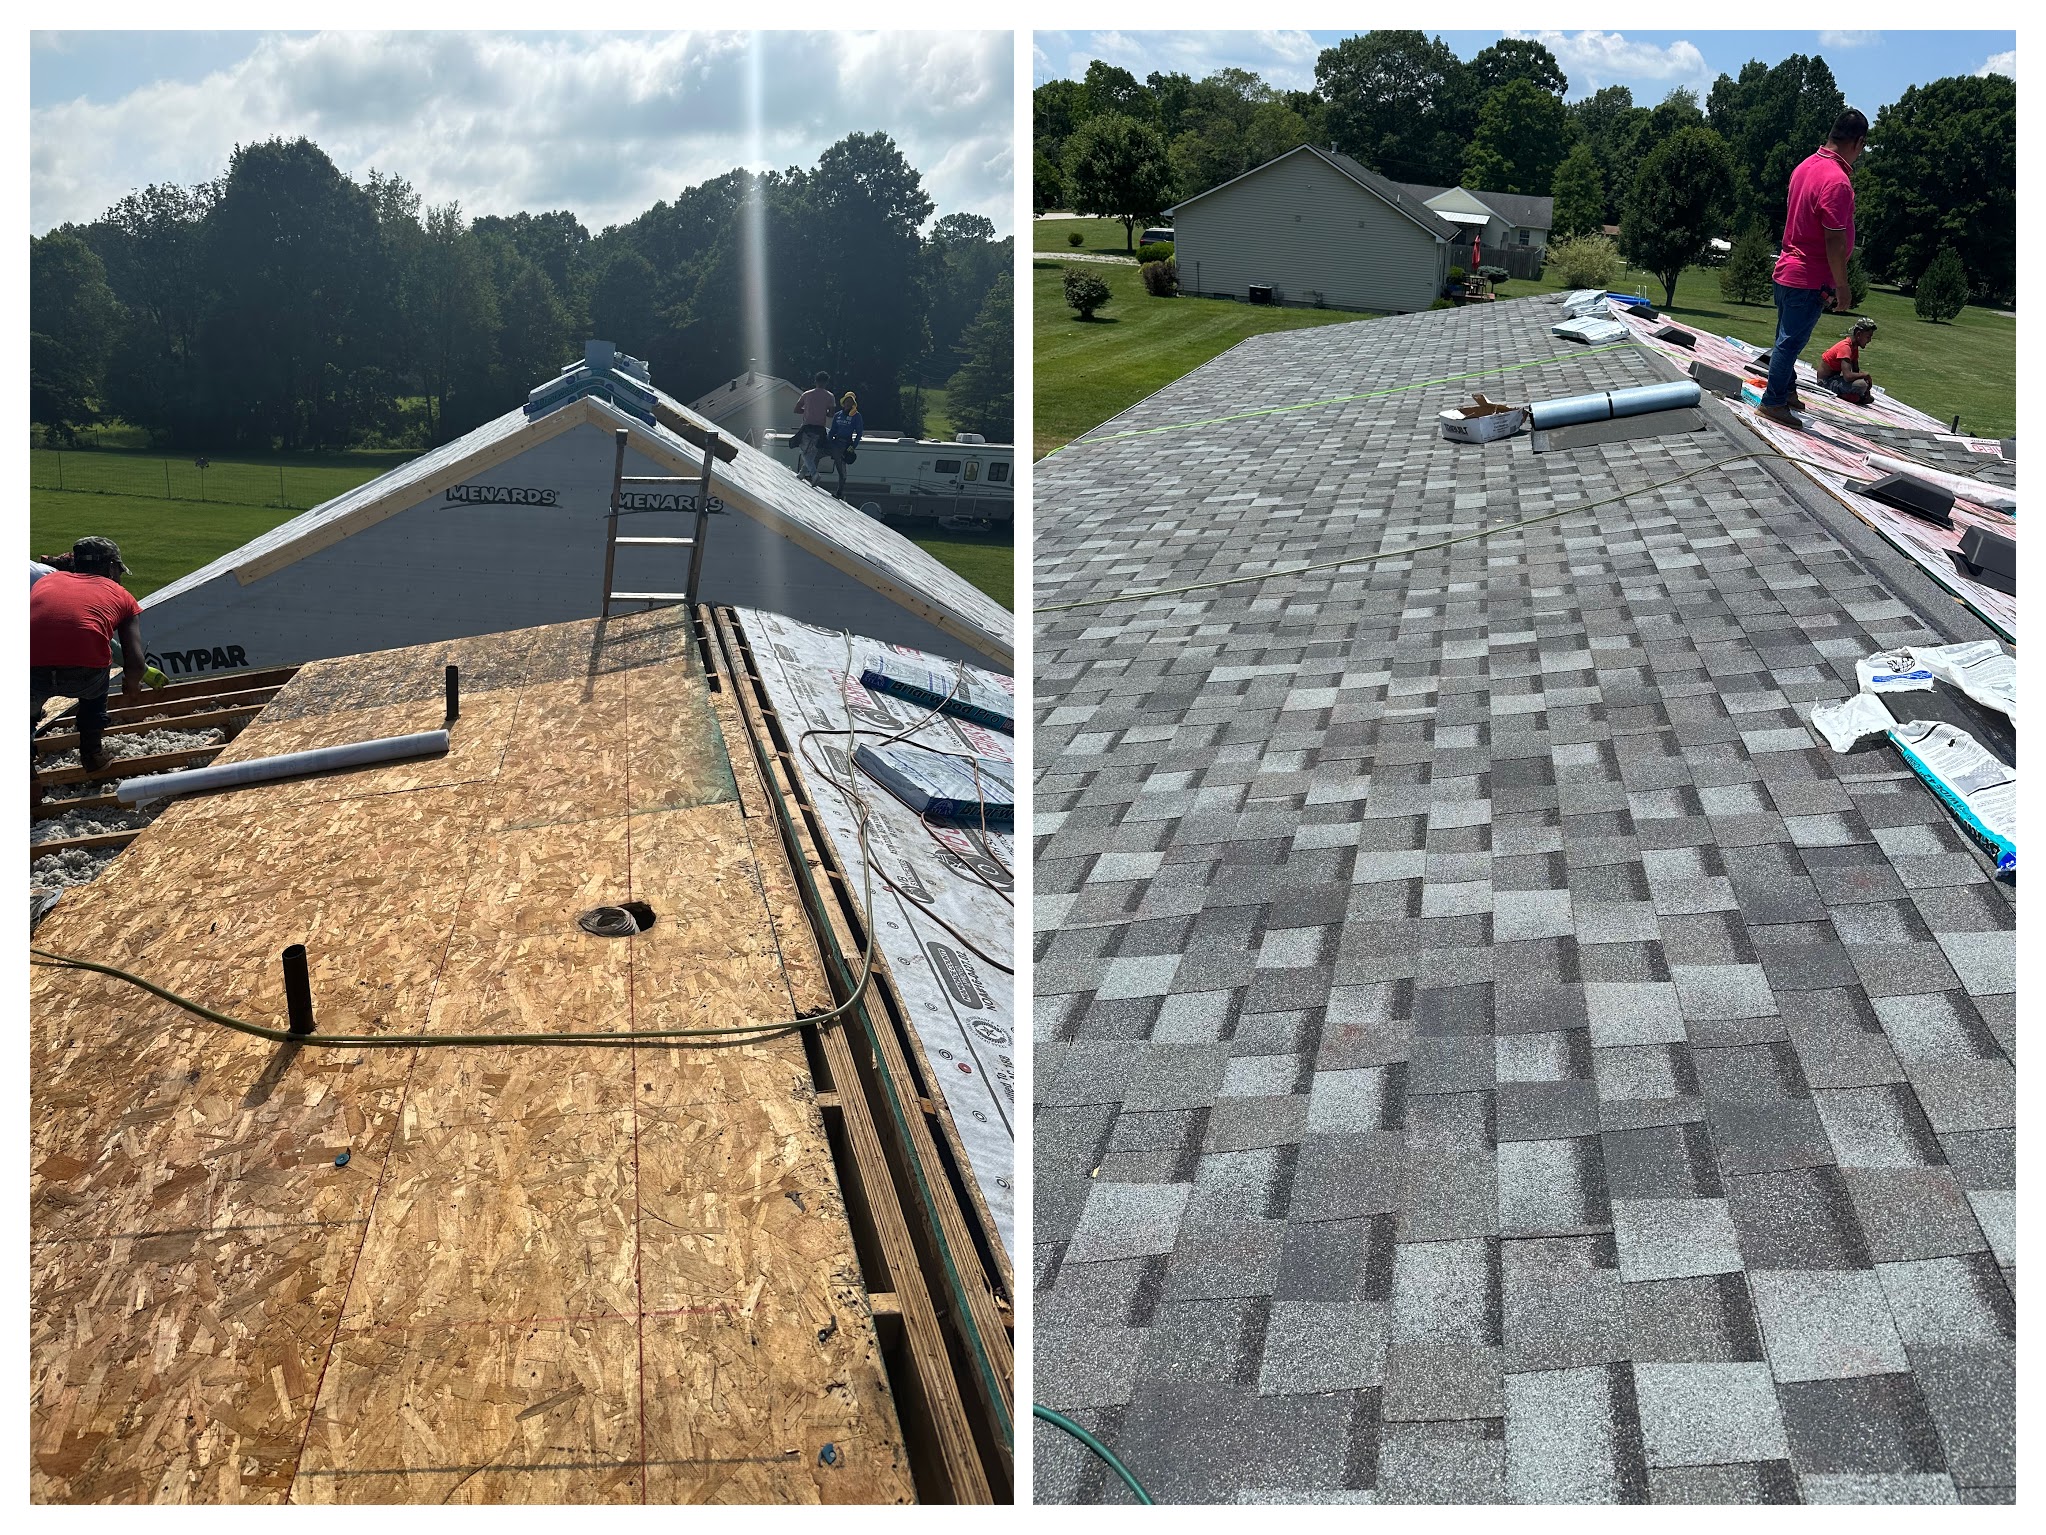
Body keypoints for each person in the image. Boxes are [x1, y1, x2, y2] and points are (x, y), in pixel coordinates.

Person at [1759, 108, 1869, 428]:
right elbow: (1834, 241)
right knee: (1789, 342)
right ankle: (1773, 402)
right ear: (1858, 142)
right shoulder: (1837, 182)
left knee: (1786, 337)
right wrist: (1843, 286)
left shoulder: (1805, 166)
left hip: (1788, 269)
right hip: (1808, 277)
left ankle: (1786, 389)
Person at [30, 537, 145, 774]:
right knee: (97, 686)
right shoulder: (121, 595)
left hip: (31, 667)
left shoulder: (46, 580)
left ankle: (28, 782)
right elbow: (135, 662)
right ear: (112, 567)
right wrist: (132, 686)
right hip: (85, 675)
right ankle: (92, 755)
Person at [1816, 317, 1878, 404]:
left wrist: (1866, 383)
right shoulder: (1845, 347)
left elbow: (1856, 370)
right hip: (1825, 382)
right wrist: (1865, 375)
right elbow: (1847, 376)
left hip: (1835, 379)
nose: (1869, 340)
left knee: (1865, 390)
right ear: (1858, 334)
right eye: (1868, 337)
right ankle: (1845, 395)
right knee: (1861, 385)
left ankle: (1855, 397)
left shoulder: (1854, 347)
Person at [791, 371, 836, 482]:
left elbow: (796, 410)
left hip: (807, 426)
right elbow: (831, 414)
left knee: (804, 451)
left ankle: (814, 473)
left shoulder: (807, 394)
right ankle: (802, 473)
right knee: (813, 452)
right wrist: (822, 412)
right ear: (826, 382)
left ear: (815, 381)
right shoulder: (830, 396)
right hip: (820, 428)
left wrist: (806, 410)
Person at [824, 391, 864, 500]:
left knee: (841, 470)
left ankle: (839, 492)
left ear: (853, 404)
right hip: (835, 442)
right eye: (847, 401)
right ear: (844, 402)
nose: (848, 403)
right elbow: (832, 430)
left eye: (850, 401)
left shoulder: (856, 416)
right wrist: (828, 441)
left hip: (845, 444)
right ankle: (810, 474)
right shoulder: (838, 415)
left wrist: (853, 446)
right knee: (818, 453)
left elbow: (859, 433)